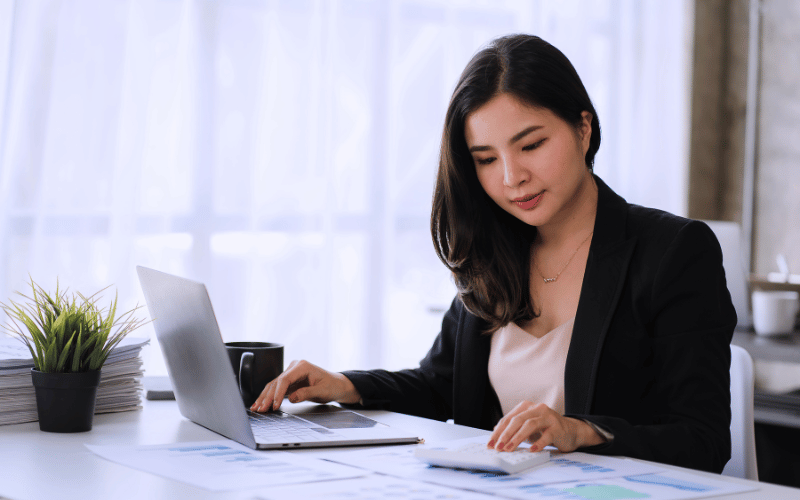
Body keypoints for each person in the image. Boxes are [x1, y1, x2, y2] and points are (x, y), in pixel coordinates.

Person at [250, 34, 737, 473]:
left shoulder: (673, 251)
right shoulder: (494, 250)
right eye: (486, 159)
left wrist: (580, 431)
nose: (510, 177)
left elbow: (703, 440)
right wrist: (345, 385)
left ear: (583, 129)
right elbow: (443, 382)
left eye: (531, 145)